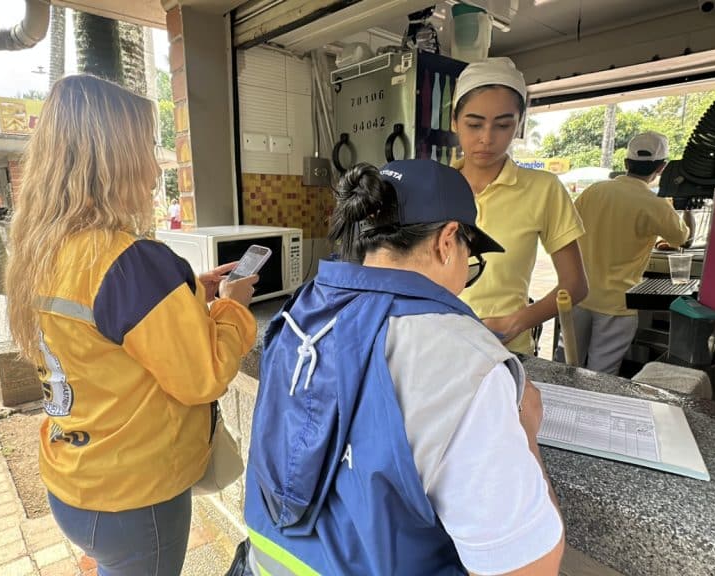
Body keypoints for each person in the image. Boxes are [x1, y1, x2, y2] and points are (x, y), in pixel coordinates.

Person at [243, 160, 564, 575]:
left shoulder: (301, 309)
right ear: (448, 241)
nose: (466, 278)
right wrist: (526, 431)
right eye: (470, 258)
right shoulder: (461, 358)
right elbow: (529, 568)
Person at [4, 75, 260, 576]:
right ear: (116, 156)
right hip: (135, 501)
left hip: (74, 481)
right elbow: (203, 377)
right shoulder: (131, 263)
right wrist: (230, 306)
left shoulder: (40, 250)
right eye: (146, 145)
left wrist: (186, 295)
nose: (152, 164)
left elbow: (103, 336)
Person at [451, 58, 588, 355]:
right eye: (474, 124)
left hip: (506, 354)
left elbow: (575, 284)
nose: (486, 138)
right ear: (454, 121)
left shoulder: (543, 189)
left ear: (519, 124)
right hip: (437, 348)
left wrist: (517, 321)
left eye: (503, 125)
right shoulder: (434, 186)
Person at [557, 131, 691, 374]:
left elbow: (568, 229)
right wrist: (686, 203)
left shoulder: (594, 191)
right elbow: (683, 239)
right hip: (617, 304)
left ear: (626, 163)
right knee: (601, 376)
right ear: (661, 167)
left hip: (578, 294)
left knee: (564, 368)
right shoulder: (656, 205)